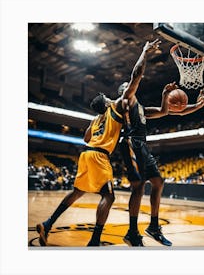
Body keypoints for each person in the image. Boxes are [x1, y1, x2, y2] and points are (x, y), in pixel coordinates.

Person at [36, 39, 161, 247]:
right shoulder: (117, 107)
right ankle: (94, 241)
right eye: (106, 96)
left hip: (85, 153)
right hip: (99, 156)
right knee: (109, 197)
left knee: (77, 192)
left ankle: (48, 224)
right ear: (106, 102)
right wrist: (144, 52)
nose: (109, 96)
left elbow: (86, 137)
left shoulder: (95, 120)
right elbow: (136, 76)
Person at [118, 80, 204, 247]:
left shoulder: (141, 110)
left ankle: (154, 227)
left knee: (158, 182)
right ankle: (132, 232)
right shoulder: (122, 105)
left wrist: (195, 105)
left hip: (142, 147)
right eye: (126, 86)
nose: (130, 87)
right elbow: (132, 84)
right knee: (138, 187)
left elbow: (166, 111)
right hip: (130, 144)